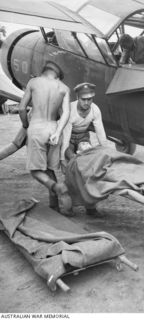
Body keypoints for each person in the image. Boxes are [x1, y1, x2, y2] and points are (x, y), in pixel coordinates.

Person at [18, 61, 71, 213]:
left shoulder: (33, 82)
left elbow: (22, 108)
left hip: (37, 128)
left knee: (35, 170)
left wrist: (26, 125)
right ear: (57, 76)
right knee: (50, 168)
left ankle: (57, 187)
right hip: (54, 128)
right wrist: (58, 132)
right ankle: (57, 205)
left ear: (44, 72)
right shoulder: (64, 88)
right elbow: (66, 113)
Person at [60, 82, 107, 167]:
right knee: (70, 158)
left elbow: (100, 133)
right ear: (77, 97)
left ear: (92, 99)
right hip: (69, 137)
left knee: (87, 158)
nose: (86, 102)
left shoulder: (95, 110)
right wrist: (62, 158)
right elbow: (66, 137)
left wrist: (106, 152)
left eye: (89, 99)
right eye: (83, 99)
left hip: (83, 136)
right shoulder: (70, 110)